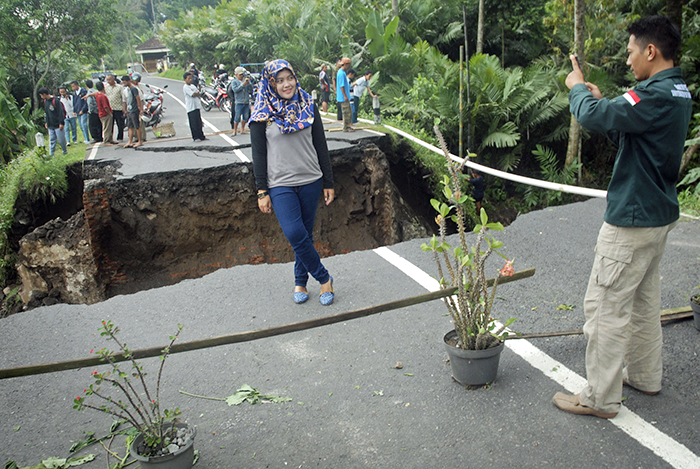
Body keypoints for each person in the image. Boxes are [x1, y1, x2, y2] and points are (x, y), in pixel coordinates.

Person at [552, 15, 693, 420]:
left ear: (651, 51)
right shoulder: (676, 91)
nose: (628, 60)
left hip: (633, 217)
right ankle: (646, 376)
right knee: (644, 302)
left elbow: (597, 118)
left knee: (605, 306)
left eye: (631, 51)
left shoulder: (653, 94)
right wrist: (601, 99)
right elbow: (629, 130)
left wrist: (578, 90)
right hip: (658, 213)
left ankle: (600, 398)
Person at [250, 59, 336, 305]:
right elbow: (258, 154)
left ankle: (300, 281)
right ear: (271, 83)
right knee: (295, 232)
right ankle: (324, 278)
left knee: (305, 235)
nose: (287, 84)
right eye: (280, 80)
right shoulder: (262, 113)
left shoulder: (308, 104)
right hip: (279, 184)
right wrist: (261, 191)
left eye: (290, 78)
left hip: (311, 179)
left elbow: (320, 144)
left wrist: (328, 181)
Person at [38, 87, 67, 156]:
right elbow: (47, 113)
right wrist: (47, 122)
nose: (41, 97)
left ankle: (64, 151)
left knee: (61, 139)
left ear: (44, 94)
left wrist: (61, 123)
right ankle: (51, 154)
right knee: (52, 140)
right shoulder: (46, 102)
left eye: (41, 95)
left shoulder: (55, 101)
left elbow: (60, 112)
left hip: (57, 124)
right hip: (50, 124)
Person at [228, 66, 254, 135]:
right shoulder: (234, 82)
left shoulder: (245, 80)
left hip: (246, 101)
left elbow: (250, 89)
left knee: (246, 116)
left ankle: (242, 129)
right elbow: (235, 90)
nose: (241, 76)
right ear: (236, 75)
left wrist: (249, 83)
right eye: (240, 75)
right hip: (239, 102)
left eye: (242, 74)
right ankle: (235, 130)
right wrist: (243, 85)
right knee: (237, 117)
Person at [183, 71, 206, 142]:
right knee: (193, 123)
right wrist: (196, 93)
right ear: (185, 79)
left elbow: (198, 93)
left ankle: (201, 136)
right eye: (189, 78)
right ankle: (195, 137)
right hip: (190, 107)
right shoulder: (185, 87)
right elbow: (193, 94)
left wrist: (197, 93)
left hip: (196, 106)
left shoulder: (193, 86)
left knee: (199, 122)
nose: (190, 80)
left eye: (191, 78)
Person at [122, 75, 144, 148]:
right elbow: (125, 101)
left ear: (129, 81)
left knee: (136, 126)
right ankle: (130, 141)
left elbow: (138, 98)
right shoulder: (127, 90)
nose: (124, 83)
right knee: (130, 126)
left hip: (134, 110)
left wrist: (139, 108)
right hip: (129, 110)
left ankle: (140, 141)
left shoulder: (134, 89)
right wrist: (125, 109)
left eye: (125, 82)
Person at [104, 74, 125, 141]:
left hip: (118, 108)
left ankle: (120, 137)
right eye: (107, 80)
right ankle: (110, 138)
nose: (108, 81)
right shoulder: (106, 87)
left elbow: (123, 97)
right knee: (110, 124)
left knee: (120, 124)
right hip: (110, 109)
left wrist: (124, 107)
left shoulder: (119, 87)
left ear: (113, 79)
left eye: (109, 79)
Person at [336, 57, 353, 132]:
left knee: (349, 111)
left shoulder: (342, 72)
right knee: (346, 112)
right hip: (343, 97)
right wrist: (345, 95)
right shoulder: (341, 73)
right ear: (345, 64)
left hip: (345, 96)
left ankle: (348, 126)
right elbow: (341, 86)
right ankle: (346, 127)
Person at [132, 73, 147, 142]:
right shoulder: (131, 87)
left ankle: (142, 137)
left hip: (139, 105)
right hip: (133, 106)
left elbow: (141, 98)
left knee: (141, 122)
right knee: (135, 122)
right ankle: (136, 137)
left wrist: (141, 108)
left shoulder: (138, 86)